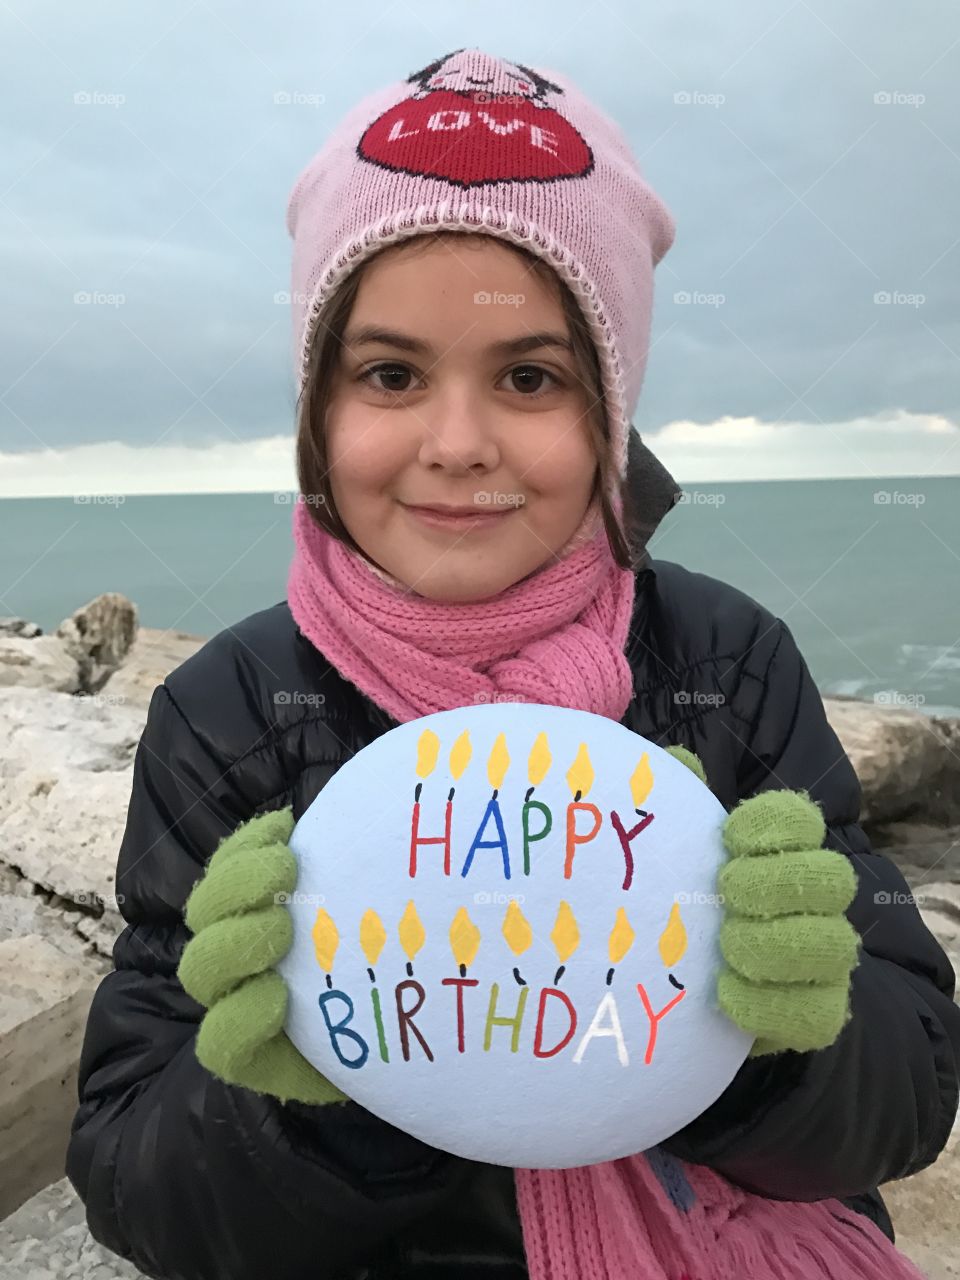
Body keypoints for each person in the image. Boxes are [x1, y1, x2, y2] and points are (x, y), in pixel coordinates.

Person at [65, 47, 958, 1280]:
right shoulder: (227, 715)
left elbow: (913, 1089)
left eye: (531, 375)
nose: (458, 441)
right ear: (316, 409)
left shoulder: (728, 663)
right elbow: (131, 1174)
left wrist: (779, 1043)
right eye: (389, 373)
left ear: (614, 410)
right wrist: (301, 1091)